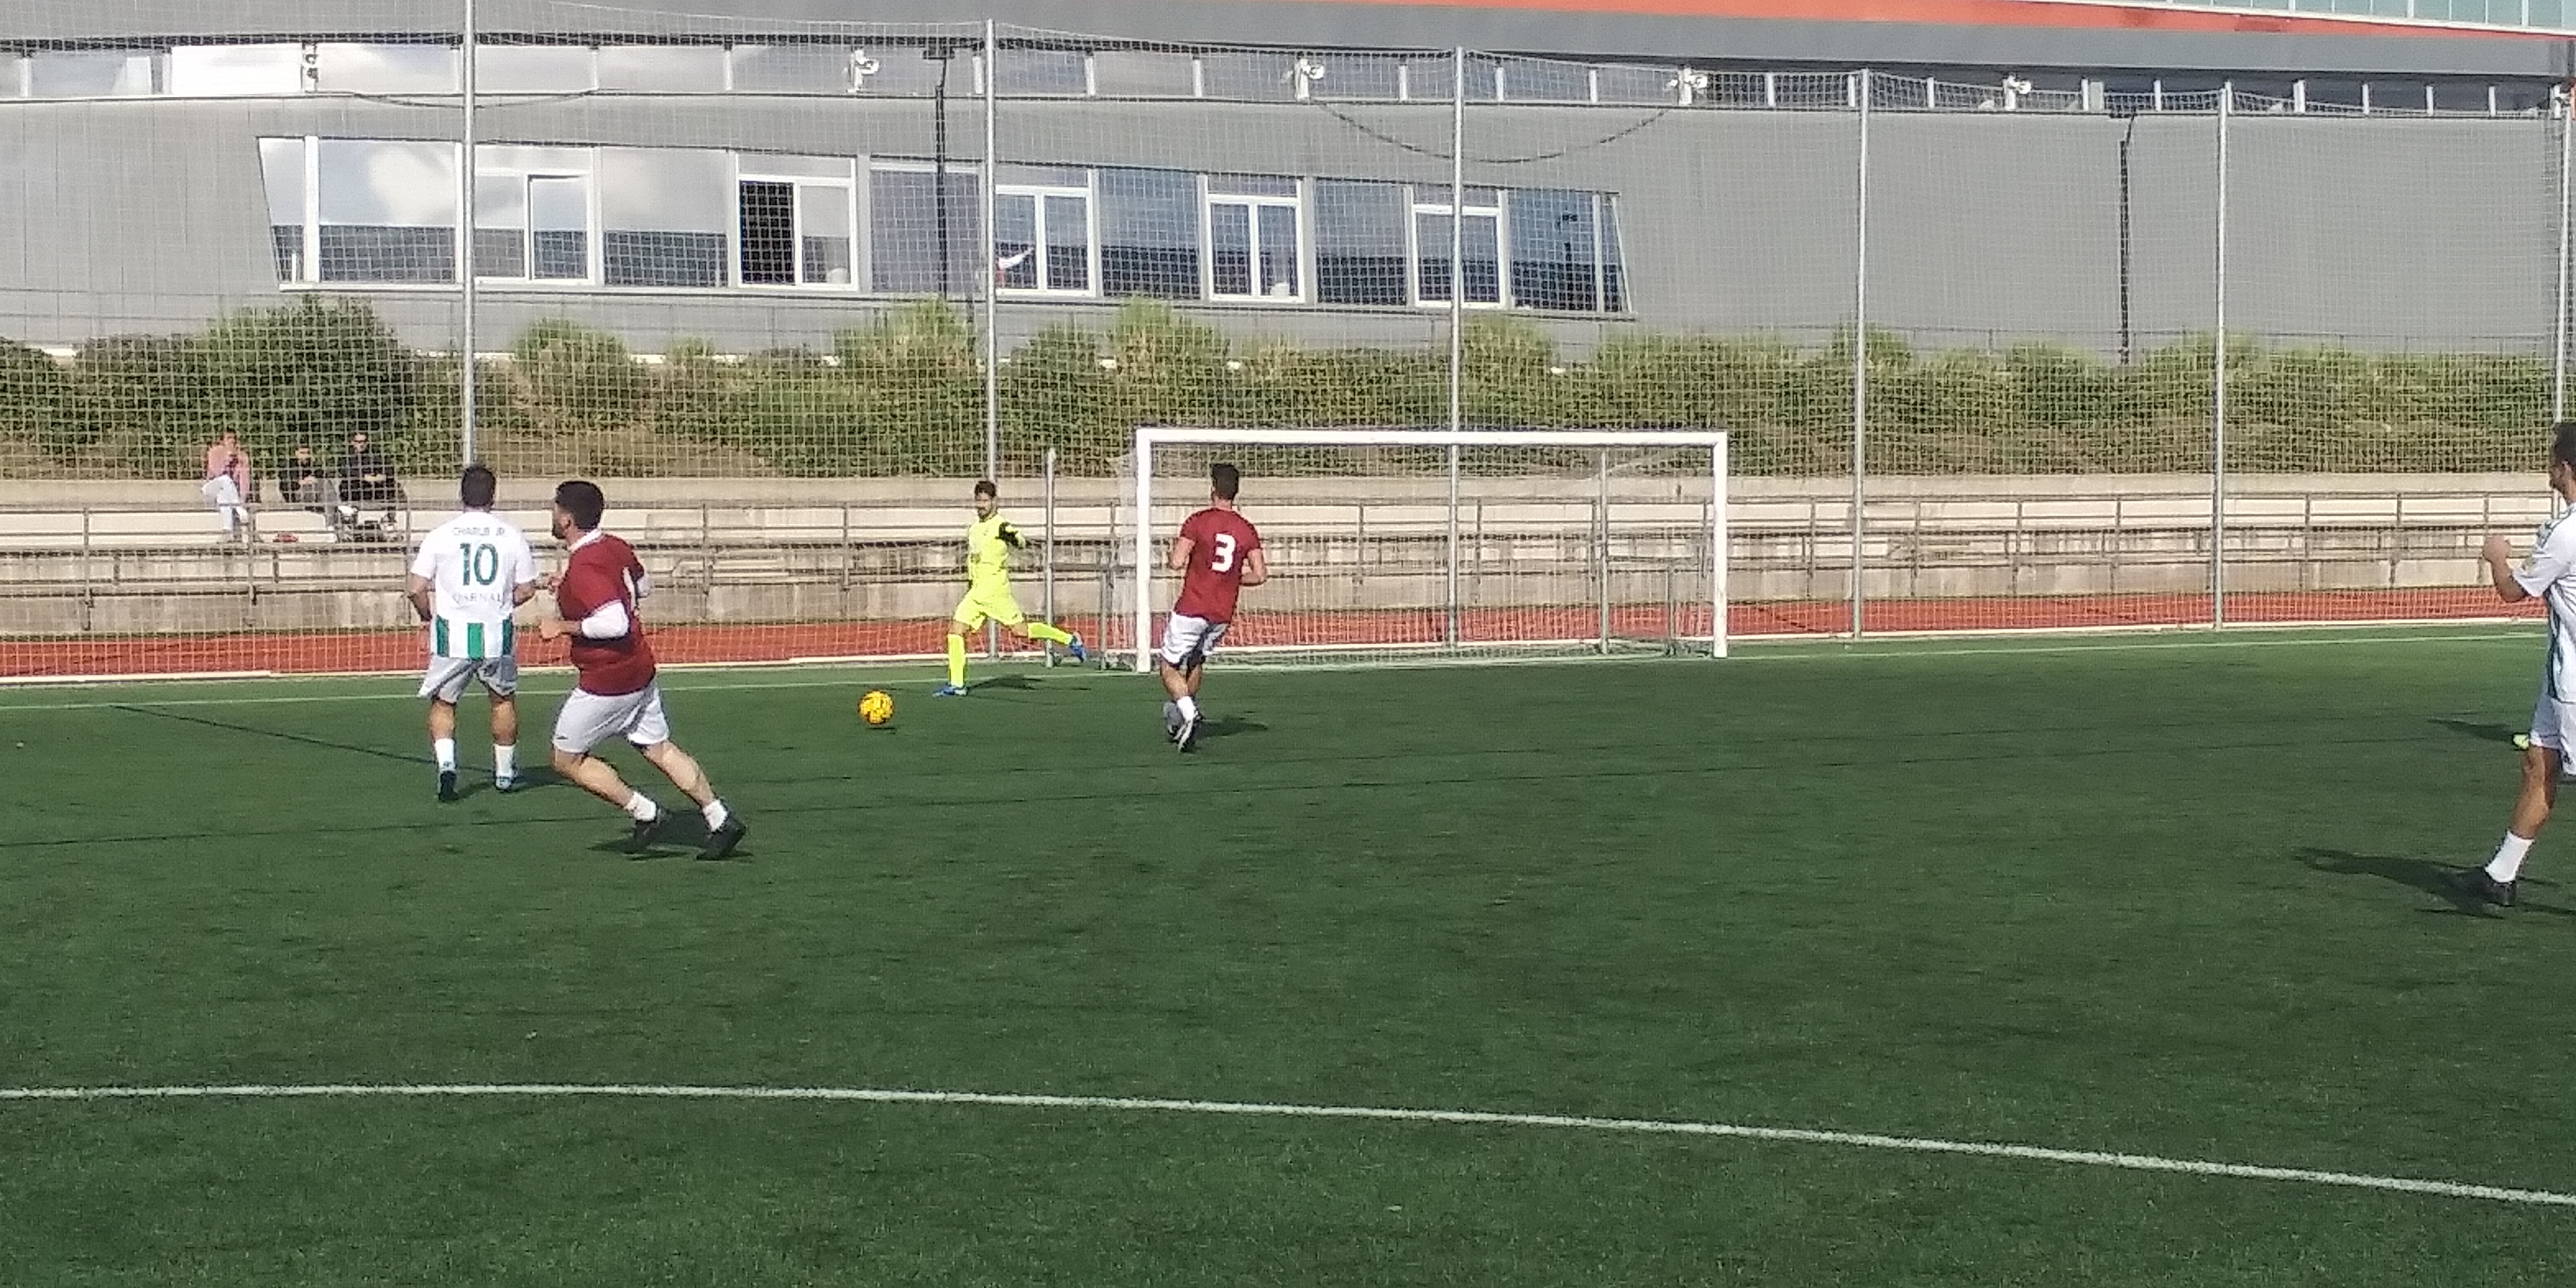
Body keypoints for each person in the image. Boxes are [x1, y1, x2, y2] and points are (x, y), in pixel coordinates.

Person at [537, 479, 747, 860]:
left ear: (567, 519)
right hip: (639, 669)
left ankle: (646, 812)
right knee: (659, 748)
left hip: (607, 680)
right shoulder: (613, 546)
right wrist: (568, 588)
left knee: (565, 759)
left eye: (555, 508)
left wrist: (563, 625)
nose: (551, 514)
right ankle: (720, 818)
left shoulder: (585, 566)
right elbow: (642, 586)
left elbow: (614, 623)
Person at [2454, 421, 2576, 907]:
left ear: (2565, 467)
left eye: (2552, 459)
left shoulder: (2565, 534)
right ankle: (2499, 876)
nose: (2548, 467)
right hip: (2558, 677)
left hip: (2574, 682)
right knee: (2538, 764)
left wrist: (2496, 558)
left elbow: (2512, 592)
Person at [407, 464, 539, 803]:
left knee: (444, 701)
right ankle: (505, 774)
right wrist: (501, 602)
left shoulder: (441, 535)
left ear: (461, 494)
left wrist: (427, 617)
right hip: (497, 633)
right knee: (502, 699)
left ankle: (447, 766)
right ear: (493, 496)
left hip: (452, 635)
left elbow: (415, 588)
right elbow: (527, 589)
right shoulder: (511, 535)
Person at [935, 480, 1086, 696]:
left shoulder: (1001, 525)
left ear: (994, 502)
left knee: (1020, 631)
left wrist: (1014, 538)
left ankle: (1070, 640)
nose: (981, 505)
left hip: (996, 593)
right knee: (955, 631)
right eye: (978, 501)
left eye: (985, 501)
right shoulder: (974, 529)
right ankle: (957, 685)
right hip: (976, 593)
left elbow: (1020, 541)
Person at [1158, 462, 1266, 751]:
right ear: (1236, 492)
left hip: (1193, 606)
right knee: (1196, 660)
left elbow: (1177, 562)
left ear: (1213, 489)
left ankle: (1189, 713)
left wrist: (1170, 556)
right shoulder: (1246, 529)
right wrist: (1231, 579)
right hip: (1222, 612)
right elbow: (1260, 575)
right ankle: (1182, 715)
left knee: (1168, 666)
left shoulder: (1198, 521)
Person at [335, 430, 400, 537]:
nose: (361, 444)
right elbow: (346, 472)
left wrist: (377, 477)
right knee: (347, 484)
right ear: (352, 442)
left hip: (374, 489)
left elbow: (388, 471)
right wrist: (365, 477)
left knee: (391, 484)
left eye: (363, 441)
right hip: (355, 490)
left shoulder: (376, 456)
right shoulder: (346, 457)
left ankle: (389, 522)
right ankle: (348, 523)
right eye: (358, 441)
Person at [200, 431, 250, 541]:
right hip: (212, 487)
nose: (232, 441)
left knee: (223, 496)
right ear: (222, 441)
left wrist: (243, 497)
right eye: (229, 438)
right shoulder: (215, 452)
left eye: (234, 438)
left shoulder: (241, 456)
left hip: (228, 494)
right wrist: (227, 460)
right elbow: (216, 472)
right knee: (225, 479)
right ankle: (239, 508)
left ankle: (227, 532)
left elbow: (244, 480)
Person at [281, 445, 331, 512]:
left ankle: (333, 508)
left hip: (311, 492)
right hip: (295, 494)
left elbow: (322, 474)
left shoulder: (311, 465)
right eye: (303, 453)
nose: (306, 456)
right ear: (296, 453)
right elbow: (286, 486)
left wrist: (314, 479)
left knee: (325, 482)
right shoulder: (288, 467)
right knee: (308, 486)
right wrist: (302, 482)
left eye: (308, 453)